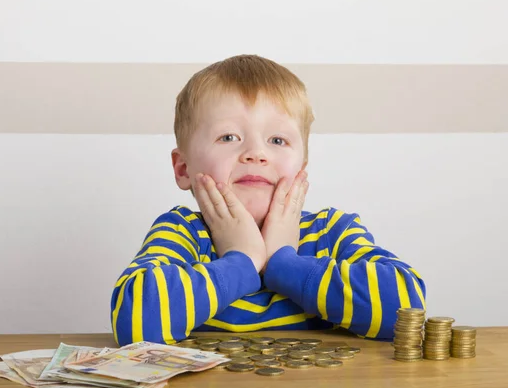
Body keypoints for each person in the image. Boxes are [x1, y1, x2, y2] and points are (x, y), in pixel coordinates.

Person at [110, 54, 426, 347]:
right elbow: (137, 323)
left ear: (301, 168)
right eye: (228, 137)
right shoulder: (182, 231)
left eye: (277, 140)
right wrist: (243, 259)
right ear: (183, 169)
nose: (256, 154)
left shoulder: (332, 231)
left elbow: (407, 308)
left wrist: (282, 261)